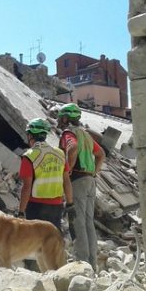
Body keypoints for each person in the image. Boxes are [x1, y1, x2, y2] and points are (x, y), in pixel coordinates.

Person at [57, 103, 105, 269]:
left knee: (78, 222)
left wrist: (68, 169)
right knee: (88, 222)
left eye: (61, 117)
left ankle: (83, 264)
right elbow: (101, 154)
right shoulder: (85, 134)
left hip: (77, 180)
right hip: (90, 181)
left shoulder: (68, 133)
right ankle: (92, 263)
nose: (59, 120)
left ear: (66, 118)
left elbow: (73, 147)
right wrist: (94, 173)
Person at [17, 118, 73, 232]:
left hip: (36, 206)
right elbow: (66, 181)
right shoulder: (59, 153)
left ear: (30, 136)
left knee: (35, 244)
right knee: (50, 243)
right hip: (57, 206)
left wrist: (21, 212)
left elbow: (26, 187)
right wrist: (70, 203)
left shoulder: (29, 156)